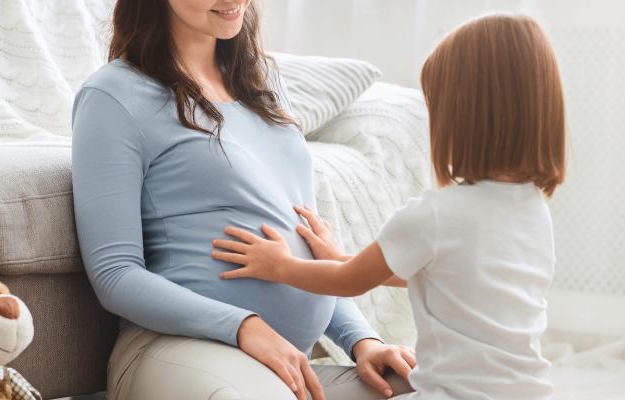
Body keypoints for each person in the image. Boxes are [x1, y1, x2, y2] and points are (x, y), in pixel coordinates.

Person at [71, 0, 416, 399]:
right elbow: (115, 274)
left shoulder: (263, 79)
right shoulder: (113, 96)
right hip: (178, 349)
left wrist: (363, 341)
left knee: (438, 387)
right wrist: (243, 325)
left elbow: (307, 252)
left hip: (288, 366)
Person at [212, 14, 567, 400]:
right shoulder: (534, 209)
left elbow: (348, 281)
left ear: (462, 121)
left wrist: (280, 265)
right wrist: (341, 255)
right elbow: (454, 274)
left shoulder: (436, 214)